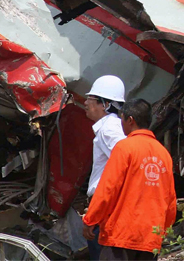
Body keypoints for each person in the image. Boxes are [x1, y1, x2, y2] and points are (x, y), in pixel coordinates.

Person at [82, 99, 177, 260]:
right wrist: (161, 233)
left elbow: (108, 189)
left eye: (122, 120)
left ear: (130, 120)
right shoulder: (164, 155)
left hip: (121, 237)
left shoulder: (125, 148)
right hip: (149, 241)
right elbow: (170, 201)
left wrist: (91, 219)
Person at [83, 75, 128, 260]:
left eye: (91, 99)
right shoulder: (110, 127)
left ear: (105, 104)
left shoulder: (110, 129)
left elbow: (125, 165)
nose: (85, 102)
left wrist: (97, 212)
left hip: (105, 208)